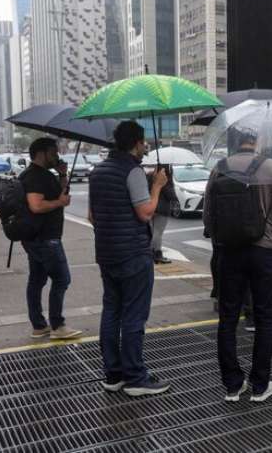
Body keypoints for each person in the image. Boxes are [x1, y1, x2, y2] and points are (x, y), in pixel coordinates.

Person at [204, 130, 272, 403]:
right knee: (264, 317)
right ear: (256, 143)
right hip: (263, 250)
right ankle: (260, 385)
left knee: (228, 318)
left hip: (228, 252)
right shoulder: (270, 166)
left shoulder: (219, 168)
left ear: (235, 144)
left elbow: (207, 215)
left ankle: (232, 386)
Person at [89, 121, 170, 397]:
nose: (145, 147)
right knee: (134, 315)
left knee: (112, 311)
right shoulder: (132, 171)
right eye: (143, 142)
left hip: (107, 253)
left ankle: (114, 374)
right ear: (136, 143)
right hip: (133, 254)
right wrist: (157, 186)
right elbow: (145, 213)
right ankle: (136, 378)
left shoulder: (98, 171)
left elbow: (92, 217)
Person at [21, 138, 82, 340]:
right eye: (53, 152)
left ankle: (39, 326)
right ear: (42, 153)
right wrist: (59, 202)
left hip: (36, 238)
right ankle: (57, 325)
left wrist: (63, 174)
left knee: (37, 280)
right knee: (62, 279)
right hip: (46, 239)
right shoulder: (36, 176)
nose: (57, 156)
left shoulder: (40, 175)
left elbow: (60, 194)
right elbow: (36, 206)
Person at [147, 166, 177, 264]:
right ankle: (157, 254)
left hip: (151, 206)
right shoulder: (165, 179)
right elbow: (170, 195)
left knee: (152, 231)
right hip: (162, 209)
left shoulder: (150, 175)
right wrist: (172, 186)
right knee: (158, 232)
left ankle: (150, 252)